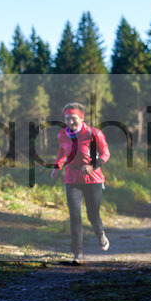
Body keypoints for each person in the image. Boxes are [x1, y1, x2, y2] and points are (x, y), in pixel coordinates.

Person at [50, 103, 111, 266]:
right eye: (67, 119)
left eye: (73, 118)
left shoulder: (93, 133)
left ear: (81, 118)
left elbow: (105, 153)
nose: (70, 122)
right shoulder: (62, 134)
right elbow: (62, 152)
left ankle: (100, 234)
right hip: (72, 179)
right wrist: (57, 167)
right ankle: (78, 252)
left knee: (92, 214)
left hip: (93, 178)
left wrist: (93, 166)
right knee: (75, 216)